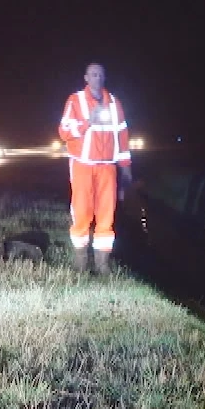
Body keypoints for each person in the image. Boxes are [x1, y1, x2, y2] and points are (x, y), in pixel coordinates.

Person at [57, 62, 132, 269]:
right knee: (81, 212)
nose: (97, 78)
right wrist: (87, 121)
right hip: (82, 165)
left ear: (104, 78)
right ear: (86, 78)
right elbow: (64, 132)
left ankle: (102, 264)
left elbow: (122, 137)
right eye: (93, 74)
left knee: (106, 214)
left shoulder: (115, 103)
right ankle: (80, 261)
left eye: (100, 74)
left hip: (107, 167)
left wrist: (126, 168)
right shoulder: (75, 100)